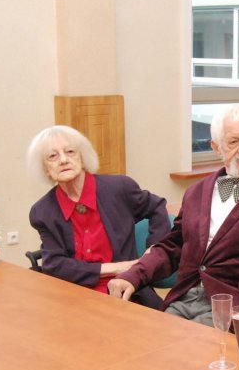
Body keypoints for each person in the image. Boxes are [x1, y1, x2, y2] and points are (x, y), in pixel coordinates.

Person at [108, 105, 239, 337]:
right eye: (233, 142)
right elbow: (173, 246)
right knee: (142, 342)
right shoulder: (196, 192)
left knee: (180, 349)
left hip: (238, 307)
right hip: (184, 298)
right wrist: (133, 275)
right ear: (216, 147)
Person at [28, 125, 170, 309]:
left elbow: (157, 207)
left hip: (128, 292)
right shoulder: (43, 212)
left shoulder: (119, 188)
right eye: (52, 156)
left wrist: (154, 249)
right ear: (46, 169)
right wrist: (118, 267)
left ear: (82, 158)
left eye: (70, 152)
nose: (63, 160)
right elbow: (55, 265)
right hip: (73, 297)